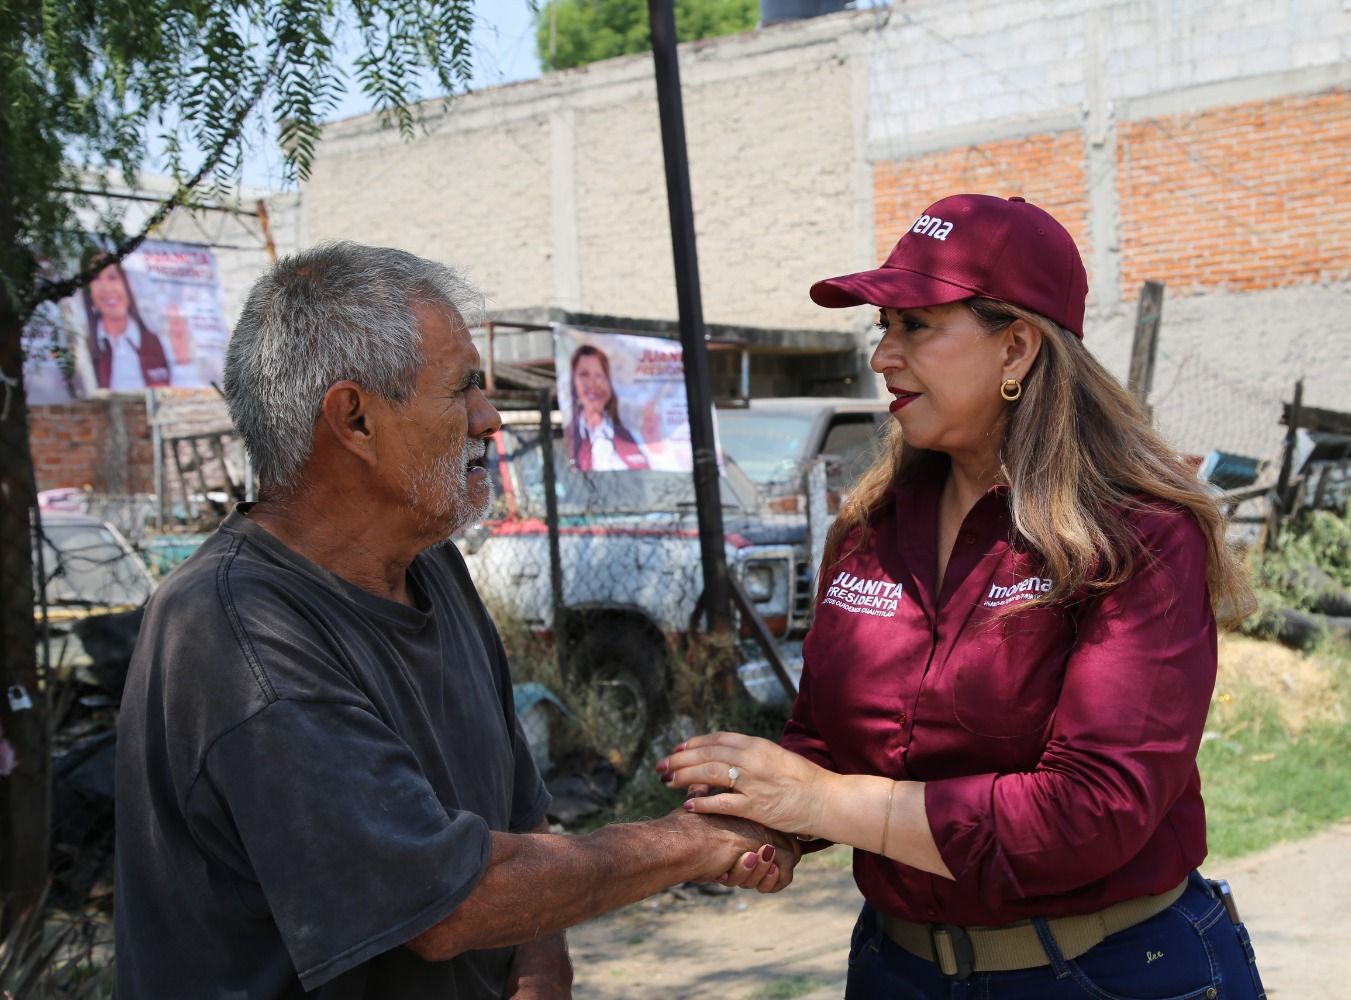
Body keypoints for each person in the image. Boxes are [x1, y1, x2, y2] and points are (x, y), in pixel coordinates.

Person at [113, 241, 795, 999]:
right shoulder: (239, 633)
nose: (491, 418)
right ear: (356, 420)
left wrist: (541, 962)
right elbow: (446, 901)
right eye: (464, 389)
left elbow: (516, 820)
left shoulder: (430, 565)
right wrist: (697, 841)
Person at [659, 194, 1268, 998]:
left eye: (914, 325)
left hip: (1106, 974)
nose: (882, 355)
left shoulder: (1136, 536)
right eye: (882, 327)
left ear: (1015, 346)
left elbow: (1092, 811)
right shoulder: (871, 527)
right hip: (895, 967)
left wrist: (825, 804)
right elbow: (823, 743)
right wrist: (765, 816)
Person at [81, 255, 171, 390]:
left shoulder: (156, 343)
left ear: (126, 284)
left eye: (112, 277)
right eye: (96, 279)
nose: (107, 288)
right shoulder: (85, 349)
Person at [565, 344, 651, 471]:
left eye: (599, 375)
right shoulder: (568, 436)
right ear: (573, 382)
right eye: (584, 375)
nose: (593, 384)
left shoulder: (633, 432)